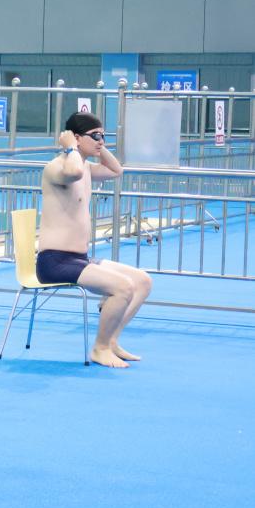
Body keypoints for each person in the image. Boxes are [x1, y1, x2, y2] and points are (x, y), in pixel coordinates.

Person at [38, 112, 152, 368]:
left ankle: (110, 341)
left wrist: (97, 145)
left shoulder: (87, 167)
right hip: (55, 261)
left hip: (79, 259)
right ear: (76, 138)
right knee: (123, 287)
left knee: (142, 281)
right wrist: (70, 147)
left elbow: (116, 170)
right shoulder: (56, 167)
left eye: (104, 135)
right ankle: (99, 349)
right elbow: (74, 172)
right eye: (96, 136)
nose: (101, 141)